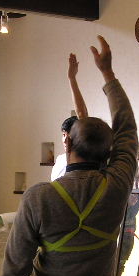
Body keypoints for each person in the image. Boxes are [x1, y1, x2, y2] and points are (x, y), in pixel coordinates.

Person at [0, 36, 138, 276]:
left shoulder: (39, 197)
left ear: (66, 146)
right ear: (110, 153)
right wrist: (107, 74)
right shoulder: (117, 185)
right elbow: (127, 128)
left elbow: (15, 266)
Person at [50, 53, 89, 181]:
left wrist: (72, 79)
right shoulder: (60, 160)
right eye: (63, 135)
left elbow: (83, 115)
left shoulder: (86, 157)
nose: (66, 140)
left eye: (69, 135)